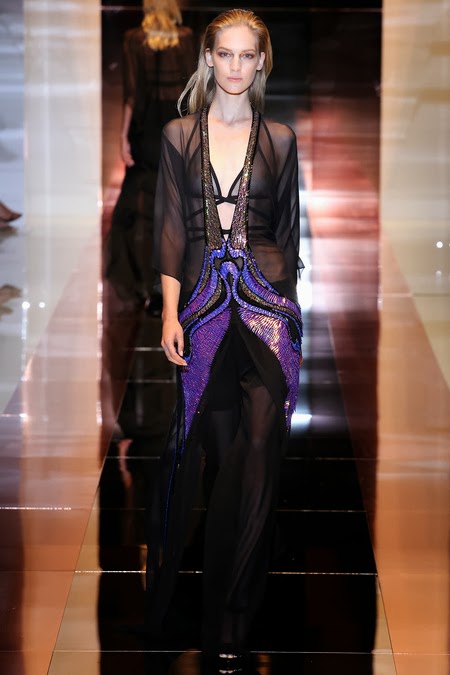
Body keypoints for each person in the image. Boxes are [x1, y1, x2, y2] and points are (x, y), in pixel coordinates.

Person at [147, 8, 303, 671]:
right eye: (226, 54)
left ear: (261, 62)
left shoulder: (281, 140)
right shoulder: (179, 135)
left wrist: (288, 309)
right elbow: (169, 229)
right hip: (205, 314)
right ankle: (224, 588)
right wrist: (169, 314)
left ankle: (234, 614)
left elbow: (288, 233)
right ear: (208, 57)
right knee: (220, 458)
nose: (236, 66)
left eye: (248, 55)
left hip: (268, 317)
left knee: (259, 453)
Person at [104, 0, 196, 309]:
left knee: (143, 213)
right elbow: (193, 94)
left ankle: (148, 286)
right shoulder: (185, 39)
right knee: (177, 209)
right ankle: (176, 284)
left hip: (145, 132)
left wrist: (122, 137)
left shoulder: (134, 40)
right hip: (177, 131)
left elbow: (131, 94)